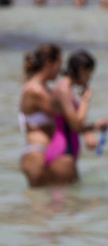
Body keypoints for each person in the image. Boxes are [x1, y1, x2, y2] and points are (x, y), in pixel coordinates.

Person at [46, 49, 108, 185]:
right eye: (89, 73)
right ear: (81, 69)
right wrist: (86, 100)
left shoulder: (66, 90)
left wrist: (94, 127)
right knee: (66, 203)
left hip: (65, 152)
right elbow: (76, 125)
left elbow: (74, 124)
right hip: (62, 152)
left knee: (69, 202)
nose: (89, 78)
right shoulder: (62, 90)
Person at [18, 44, 62, 187]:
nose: (60, 70)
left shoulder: (43, 88)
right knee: (40, 206)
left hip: (45, 151)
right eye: (59, 64)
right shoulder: (35, 90)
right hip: (37, 152)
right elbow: (62, 116)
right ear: (49, 63)